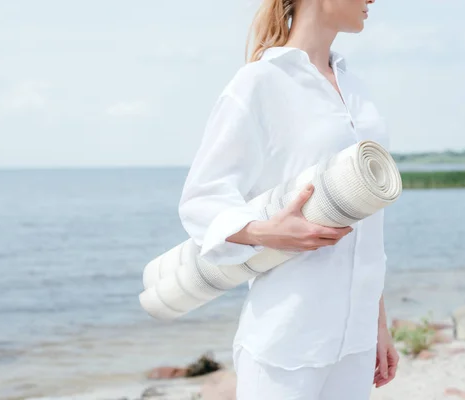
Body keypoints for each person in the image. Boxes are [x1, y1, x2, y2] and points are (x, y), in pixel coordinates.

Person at [177, 0, 399, 398]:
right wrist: (267, 232)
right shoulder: (260, 82)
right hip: (286, 344)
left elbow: (366, 223)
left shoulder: (355, 87)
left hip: (355, 345)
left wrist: (377, 323)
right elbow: (201, 199)